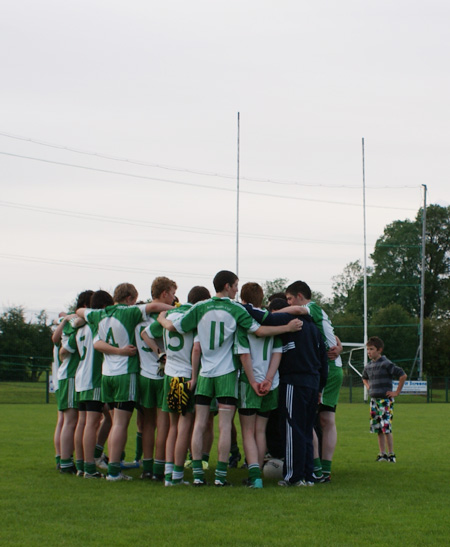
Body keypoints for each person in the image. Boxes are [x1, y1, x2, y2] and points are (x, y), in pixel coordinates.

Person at [158, 270, 303, 487]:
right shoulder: (235, 308)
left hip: (203, 373)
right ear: (227, 286)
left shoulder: (199, 307)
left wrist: (161, 317)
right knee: (225, 427)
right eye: (235, 285)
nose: (237, 289)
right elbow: (260, 330)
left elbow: (175, 327)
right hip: (226, 373)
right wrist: (287, 327)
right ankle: (220, 477)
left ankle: (196, 475)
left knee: (197, 424)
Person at [78, 282, 171, 481]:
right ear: (129, 299)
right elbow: (154, 306)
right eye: (134, 300)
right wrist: (179, 309)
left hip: (107, 375)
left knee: (112, 422)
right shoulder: (129, 313)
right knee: (121, 424)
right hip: (125, 374)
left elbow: (80, 311)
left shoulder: (99, 314)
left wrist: (71, 317)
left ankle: (91, 466)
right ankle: (114, 471)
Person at [148, 285, 210, 486]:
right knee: (184, 427)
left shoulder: (171, 314)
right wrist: (194, 376)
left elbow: (145, 334)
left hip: (170, 374)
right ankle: (176, 475)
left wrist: (160, 353)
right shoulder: (196, 314)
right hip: (185, 376)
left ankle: (168, 475)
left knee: (173, 427)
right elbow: (196, 348)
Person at [285, 281, 342, 482]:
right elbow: (332, 335)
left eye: (290, 299)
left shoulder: (309, 308)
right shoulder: (319, 312)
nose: (289, 303)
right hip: (331, 367)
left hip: (328, 368)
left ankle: (319, 470)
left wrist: (274, 313)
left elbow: (298, 310)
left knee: (313, 420)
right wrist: (338, 345)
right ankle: (320, 470)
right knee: (322, 420)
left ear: (300, 296)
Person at [269, 298, 328, 487]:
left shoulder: (287, 320)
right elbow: (324, 361)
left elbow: (261, 319)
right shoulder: (314, 329)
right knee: (306, 430)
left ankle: (293, 477)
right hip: (312, 383)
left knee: (292, 429)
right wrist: (320, 388)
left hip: (294, 382)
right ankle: (308, 476)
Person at [236, 282, 283, 489]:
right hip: (271, 382)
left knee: (247, 431)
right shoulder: (272, 322)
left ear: (243, 299)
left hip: (249, 381)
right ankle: (260, 472)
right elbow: (277, 353)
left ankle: (254, 475)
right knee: (260, 430)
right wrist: (269, 379)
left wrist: (254, 381)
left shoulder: (243, 321)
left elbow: (244, 355)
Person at [137, 276, 177, 481]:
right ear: (163, 294)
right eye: (172, 293)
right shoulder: (163, 317)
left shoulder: (137, 314)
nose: (174, 298)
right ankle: (160, 469)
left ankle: (147, 467)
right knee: (164, 424)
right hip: (162, 375)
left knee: (147, 424)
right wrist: (160, 352)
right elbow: (149, 334)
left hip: (144, 374)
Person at [56, 290, 93, 474]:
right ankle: (65, 462)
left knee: (65, 420)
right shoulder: (76, 323)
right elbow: (64, 348)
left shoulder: (71, 321)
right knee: (71, 420)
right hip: (71, 374)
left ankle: (63, 458)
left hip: (67, 375)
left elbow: (56, 339)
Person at [362, 336, 407, 463]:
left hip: (385, 401)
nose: (369, 352)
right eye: (368, 349)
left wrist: (396, 392)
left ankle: (391, 454)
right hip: (374, 401)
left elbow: (402, 375)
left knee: (386, 427)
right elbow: (364, 377)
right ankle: (382, 454)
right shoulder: (369, 366)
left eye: (371, 349)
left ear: (379, 350)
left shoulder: (386, 364)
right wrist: (368, 386)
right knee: (378, 429)